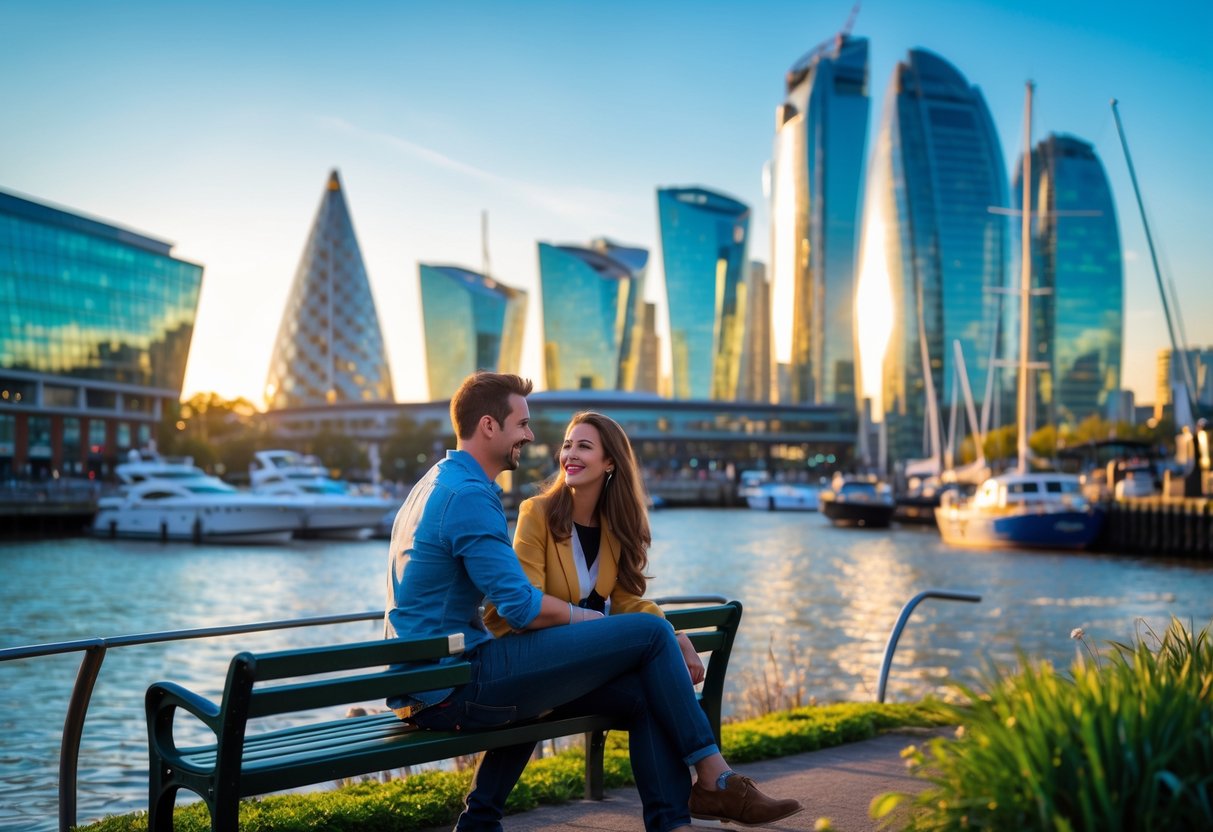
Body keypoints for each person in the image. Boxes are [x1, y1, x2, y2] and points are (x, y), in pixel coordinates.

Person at [385, 373, 803, 832]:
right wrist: (597, 619)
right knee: (646, 636)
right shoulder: (472, 496)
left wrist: (665, 632)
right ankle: (714, 778)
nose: (531, 436)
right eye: (522, 423)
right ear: (489, 426)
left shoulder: (435, 483)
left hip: (436, 678)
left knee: (648, 690)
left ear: (609, 464)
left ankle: (672, 823)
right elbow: (519, 609)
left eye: (579, 445)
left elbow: (622, 599)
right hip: (452, 686)